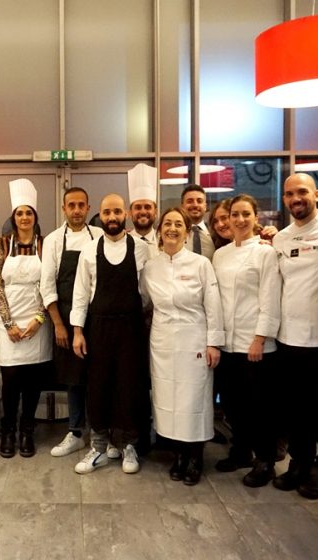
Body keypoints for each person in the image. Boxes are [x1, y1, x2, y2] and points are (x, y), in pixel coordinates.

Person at [271, 173, 318, 500]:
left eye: (302, 192)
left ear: (316, 195)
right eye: (289, 194)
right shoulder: (281, 239)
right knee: (294, 409)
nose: (295, 198)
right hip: (289, 339)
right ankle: (299, 462)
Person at [141, 207, 224, 485]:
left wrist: (214, 343)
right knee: (167, 399)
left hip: (194, 340)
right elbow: (142, 301)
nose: (172, 228)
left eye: (179, 224)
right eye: (167, 224)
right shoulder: (151, 267)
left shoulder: (201, 264)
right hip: (162, 341)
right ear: (159, 231)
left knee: (194, 399)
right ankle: (178, 454)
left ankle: (195, 456)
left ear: (187, 232)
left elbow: (213, 305)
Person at [71, 194, 150, 475]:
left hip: (131, 328)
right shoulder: (89, 250)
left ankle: (129, 446)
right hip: (99, 327)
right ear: (100, 216)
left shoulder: (141, 249)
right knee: (99, 386)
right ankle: (99, 447)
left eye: (117, 211)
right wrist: (78, 332)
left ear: (125, 213)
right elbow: (80, 295)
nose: (112, 217)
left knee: (131, 386)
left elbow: (148, 293)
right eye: (107, 212)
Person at [211, 194, 282, 487]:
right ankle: (240, 451)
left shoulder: (265, 253)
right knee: (233, 403)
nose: (239, 220)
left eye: (245, 214)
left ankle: (265, 460)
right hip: (227, 343)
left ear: (256, 218)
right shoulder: (221, 254)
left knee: (259, 406)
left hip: (255, 344)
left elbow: (270, 298)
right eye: (234, 215)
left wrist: (260, 338)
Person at [40, 187, 103, 458]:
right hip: (65, 318)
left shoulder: (99, 236)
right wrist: (58, 325)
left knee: (99, 376)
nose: (76, 210)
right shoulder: (54, 240)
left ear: (88, 208)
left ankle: (102, 431)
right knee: (74, 379)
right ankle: (76, 431)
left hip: (98, 318)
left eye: (81, 205)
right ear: (64, 209)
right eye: (71, 205)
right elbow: (47, 286)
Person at [0, 179, 51, 458]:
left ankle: (27, 430)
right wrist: (8, 323)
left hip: (37, 320)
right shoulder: (2, 244)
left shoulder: (45, 244)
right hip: (8, 319)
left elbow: (47, 283)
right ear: (13, 217)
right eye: (19, 213)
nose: (24, 217)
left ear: (35, 217)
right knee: (11, 378)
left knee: (33, 381)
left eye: (29, 213)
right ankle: (8, 430)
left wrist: (39, 318)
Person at [128, 163, 159, 258]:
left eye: (147, 207)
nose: (143, 212)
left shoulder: (165, 241)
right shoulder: (123, 242)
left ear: (156, 212)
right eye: (137, 207)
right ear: (130, 213)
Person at [181, 184, 215, 258]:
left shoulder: (215, 232)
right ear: (182, 206)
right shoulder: (175, 233)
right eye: (190, 201)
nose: (195, 205)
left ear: (205, 206)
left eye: (199, 201)